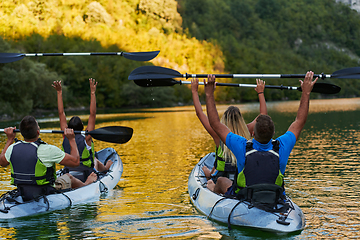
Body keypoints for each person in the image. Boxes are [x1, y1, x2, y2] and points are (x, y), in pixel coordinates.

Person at [204, 71, 318, 195]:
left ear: (252, 133)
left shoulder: (242, 146)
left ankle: (212, 190)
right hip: (274, 198)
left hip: (246, 198)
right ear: (273, 133)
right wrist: (306, 93)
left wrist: (209, 93)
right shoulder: (282, 146)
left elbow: (215, 123)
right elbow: (300, 121)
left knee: (221, 180)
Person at [191, 78, 267, 191]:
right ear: (240, 119)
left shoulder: (218, 134)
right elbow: (263, 115)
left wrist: (195, 91)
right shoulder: (248, 130)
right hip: (241, 181)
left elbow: (200, 113)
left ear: (224, 120)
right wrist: (260, 93)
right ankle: (210, 174)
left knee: (211, 177)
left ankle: (210, 176)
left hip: (222, 182)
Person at [0, 116, 98, 201]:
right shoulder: (48, 149)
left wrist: (9, 139)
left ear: (21, 133)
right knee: (68, 176)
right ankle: (86, 185)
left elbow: (2, 162)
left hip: (22, 191)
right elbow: (75, 162)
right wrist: (71, 139)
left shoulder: (12, 148)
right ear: (38, 132)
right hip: (45, 192)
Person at [52, 78, 112, 183]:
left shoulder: (65, 135)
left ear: (68, 128)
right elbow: (92, 114)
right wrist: (93, 93)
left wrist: (59, 92)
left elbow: (61, 113)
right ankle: (106, 168)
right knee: (95, 161)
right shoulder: (87, 137)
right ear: (83, 127)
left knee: (94, 160)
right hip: (86, 174)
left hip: (68, 172)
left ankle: (105, 168)